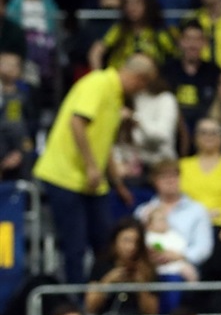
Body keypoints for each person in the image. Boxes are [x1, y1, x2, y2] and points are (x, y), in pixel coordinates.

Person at [34, 54, 157, 283]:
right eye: (143, 85)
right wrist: (91, 166)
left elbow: (103, 142)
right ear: (139, 78)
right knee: (75, 245)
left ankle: (102, 293)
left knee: (105, 242)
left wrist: (118, 184)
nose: (140, 91)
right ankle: (76, 298)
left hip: (92, 182)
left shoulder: (116, 95)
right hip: (64, 175)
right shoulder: (98, 83)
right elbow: (77, 122)